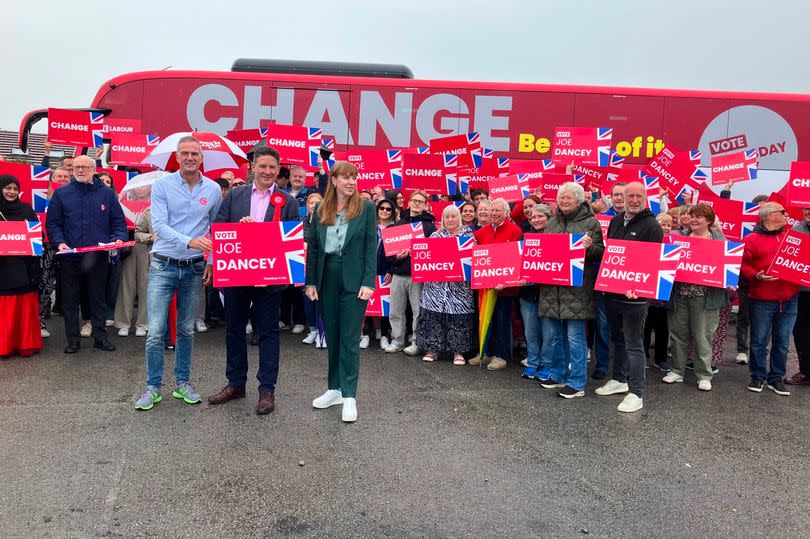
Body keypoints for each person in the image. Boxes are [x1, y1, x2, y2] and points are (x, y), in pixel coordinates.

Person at [207, 146, 301, 415]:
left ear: (278, 169)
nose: (268, 172)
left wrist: (265, 234)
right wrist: (242, 229)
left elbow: (292, 238)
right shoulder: (235, 196)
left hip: (270, 277)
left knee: (268, 332)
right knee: (234, 329)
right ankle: (236, 384)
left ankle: (267, 390)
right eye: (263, 166)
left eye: (273, 167)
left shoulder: (288, 201)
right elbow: (220, 229)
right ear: (252, 167)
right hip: (239, 274)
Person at [134, 136, 222, 411]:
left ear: (201, 157)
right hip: (163, 264)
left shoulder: (213, 189)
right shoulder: (162, 186)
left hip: (195, 267)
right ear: (177, 156)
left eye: (194, 153)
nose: (190, 157)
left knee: (186, 329)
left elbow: (215, 227)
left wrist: (210, 259)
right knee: (156, 330)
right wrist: (189, 241)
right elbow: (158, 224)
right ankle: (153, 387)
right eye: (185, 153)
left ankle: (182, 383)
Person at [305, 161, 377, 423]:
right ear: (333, 180)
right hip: (327, 277)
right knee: (332, 336)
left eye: (354, 177)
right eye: (345, 177)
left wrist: (369, 282)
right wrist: (310, 282)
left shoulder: (366, 208)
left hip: (354, 279)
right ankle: (334, 388)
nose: (351, 182)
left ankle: (349, 395)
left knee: (349, 338)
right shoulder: (321, 208)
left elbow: (371, 246)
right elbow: (313, 247)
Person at [45, 155, 127, 354]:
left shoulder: (107, 194)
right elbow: (53, 223)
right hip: (69, 256)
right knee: (70, 300)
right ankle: (73, 341)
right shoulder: (62, 193)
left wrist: (118, 238)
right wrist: (60, 242)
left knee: (97, 298)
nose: (80, 170)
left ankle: (100, 338)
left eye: (85, 167)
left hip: (97, 257)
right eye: (77, 167)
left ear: (93, 170)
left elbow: (118, 222)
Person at [595, 181, 663, 412]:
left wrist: (639, 287)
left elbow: (652, 264)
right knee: (619, 340)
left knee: (635, 345)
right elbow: (612, 253)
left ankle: (636, 393)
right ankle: (619, 380)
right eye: (629, 196)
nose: (633, 200)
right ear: (622, 197)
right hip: (612, 292)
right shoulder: (615, 220)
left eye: (638, 196)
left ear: (645, 197)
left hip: (636, 297)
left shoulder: (652, 226)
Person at [536, 183, 605, 398]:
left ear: (578, 200)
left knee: (575, 338)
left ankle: (576, 382)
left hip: (576, 289)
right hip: (552, 288)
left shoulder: (590, 222)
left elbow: (599, 253)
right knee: (556, 337)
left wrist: (589, 247)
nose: (564, 201)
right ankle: (558, 374)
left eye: (568, 198)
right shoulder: (552, 223)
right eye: (561, 197)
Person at [662, 204, 729, 391]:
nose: (693, 219)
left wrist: (729, 279)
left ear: (708, 220)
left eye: (698, 216)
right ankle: (677, 371)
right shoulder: (678, 239)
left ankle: (704, 375)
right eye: (691, 216)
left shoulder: (719, 240)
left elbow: (727, 270)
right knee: (678, 335)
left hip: (705, 298)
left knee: (703, 337)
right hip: (680, 295)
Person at [740, 202, 798, 396]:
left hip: (789, 298)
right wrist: (756, 275)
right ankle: (757, 375)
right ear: (771, 216)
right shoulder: (751, 240)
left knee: (782, 341)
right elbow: (742, 264)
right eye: (783, 212)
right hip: (762, 299)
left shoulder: (791, 237)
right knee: (758, 340)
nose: (786, 214)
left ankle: (776, 378)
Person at [416, 205, 476, 364]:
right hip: (435, 289)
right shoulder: (435, 235)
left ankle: (459, 352)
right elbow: (426, 258)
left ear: (459, 218)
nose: (450, 220)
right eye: (447, 217)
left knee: (459, 320)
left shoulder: (469, 236)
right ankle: (432, 350)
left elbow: (473, 260)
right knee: (434, 319)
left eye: (453, 216)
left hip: (460, 289)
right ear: (442, 219)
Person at [470, 198, 523, 371]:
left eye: (497, 211)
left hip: (504, 288)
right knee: (485, 320)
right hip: (485, 286)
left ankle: (500, 356)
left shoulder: (515, 231)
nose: (493, 214)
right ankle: (485, 353)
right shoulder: (482, 231)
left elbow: (517, 260)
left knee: (501, 321)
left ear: (506, 213)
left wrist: (506, 281)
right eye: (492, 211)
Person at [383, 190, 437, 356]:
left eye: (420, 201)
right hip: (399, 274)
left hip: (418, 276)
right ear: (408, 202)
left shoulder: (429, 226)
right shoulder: (399, 224)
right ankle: (397, 341)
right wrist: (396, 259)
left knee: (418, 312)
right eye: (414, 200)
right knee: (395, 311)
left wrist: (421, 254)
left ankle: (416, 342)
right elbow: (390, 252)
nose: (417, 203)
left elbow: (435, 252)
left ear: (425, 205)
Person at [0, 175, 43, 358]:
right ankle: (5, 346)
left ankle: (26, 344)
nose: (11, 192)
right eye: (8, 188)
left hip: (25, 267)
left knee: (24, 308)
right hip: (3, 269)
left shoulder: (26, 209)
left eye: (15, 189)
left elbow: (36, 236)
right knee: (6, 310)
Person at [519, 204, 552, 379]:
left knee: (548, 334)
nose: (536, 220)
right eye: (533, 217)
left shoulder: (556, 237)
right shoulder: (523, 237)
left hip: (548, 294)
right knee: (530, 332)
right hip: (528, 293)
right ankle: (533, 363)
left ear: (548, 218)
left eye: (540, 216)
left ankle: (546, 364)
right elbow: (515, 263)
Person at [39, 167, 72, 337]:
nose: (63, 179)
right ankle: (40, 322)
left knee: (67, 284)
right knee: (45, 284)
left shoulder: (73, 197)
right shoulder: (41, 196)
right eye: (59, 176)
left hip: (68, 246)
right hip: (46, 247)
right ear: (51, 179)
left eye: (66, 176)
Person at [785, 206, 810, 385]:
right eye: (806, 209)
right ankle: (805, 372)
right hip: (802, 290)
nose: (807, 212)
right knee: (801, 331)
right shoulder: (798, 228)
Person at [371, 198, 398, 350]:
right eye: (382, 208)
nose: (385, 211)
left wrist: (391, 270)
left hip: (387, 272)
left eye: (388, 209)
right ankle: (377, 332)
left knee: (388, 306)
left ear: (392, 212)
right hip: (371, 271)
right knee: (373, 304)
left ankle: (386, 335)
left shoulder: (397, 228)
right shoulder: (371, 228)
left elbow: (400, 254)